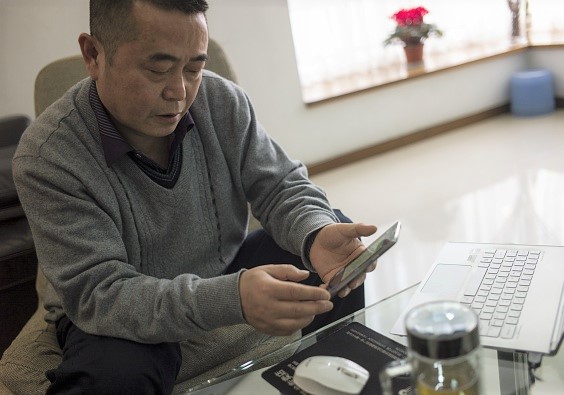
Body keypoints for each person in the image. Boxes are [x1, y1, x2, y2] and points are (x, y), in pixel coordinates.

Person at [12, 0, 378, 393]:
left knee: (329, 243)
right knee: (113, 376)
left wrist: (314, 230)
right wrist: (230, 299)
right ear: (94, 55)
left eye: (194, 68)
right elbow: (100, 293)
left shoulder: (221, 101)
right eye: (158, 69)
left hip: (221, 266)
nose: (179, 91)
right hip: (125, 301)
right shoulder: (48, 157)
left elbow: (280, 186)